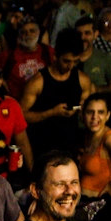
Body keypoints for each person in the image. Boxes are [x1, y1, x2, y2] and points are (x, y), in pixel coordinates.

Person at [20, 28, 93, 161]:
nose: (70, 66)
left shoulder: (83, 80)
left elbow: (88, 109)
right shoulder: (38, 82)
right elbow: (21, 115)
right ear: (55, 56)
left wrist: (81, 110)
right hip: (42, 146)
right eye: (66, 61)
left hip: (69, 146)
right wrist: (52, 112)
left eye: (75, 61)